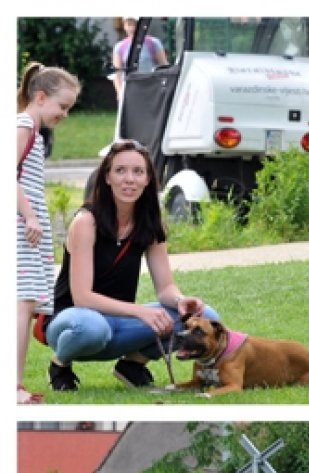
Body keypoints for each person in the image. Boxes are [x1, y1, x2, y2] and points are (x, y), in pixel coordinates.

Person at [44, 139, 218, 391]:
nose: (130, 179)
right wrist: (140, 311)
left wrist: (180, 300)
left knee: (204, 317)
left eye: (138, 172)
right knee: (94, 327)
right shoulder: (86, 222)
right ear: (107, 177)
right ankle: (59, 364)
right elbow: (82, 298)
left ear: (148, 179)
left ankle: (132, 365)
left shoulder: (149, 223)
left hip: (117, 322)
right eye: (120, 171)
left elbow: (165, 287)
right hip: (73, 322)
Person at [17, 63, 80, 404]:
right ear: (40, 97)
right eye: (63, 106)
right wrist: (30, 217)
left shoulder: (32, 130)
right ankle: (12, 387)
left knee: (24, 305)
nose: (65, 114)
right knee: (22, 305)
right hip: (20, 226)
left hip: (25, 225)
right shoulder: (24, 125)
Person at [112, 16, 168, 100]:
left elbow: (164, 67)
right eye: (129, 24)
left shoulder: (154, 43)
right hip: (130, 88)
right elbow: (117, 73)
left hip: (151, 87)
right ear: (124, 26)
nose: (132, 28)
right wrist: (119, 91)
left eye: (135, 24)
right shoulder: (119, 47)